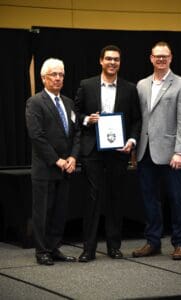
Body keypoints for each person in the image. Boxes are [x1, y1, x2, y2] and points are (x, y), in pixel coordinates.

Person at [74, 45, 142, 262]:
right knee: (92, 200)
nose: (113, 63)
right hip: (93, 149)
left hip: (118, 150)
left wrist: (131, 141)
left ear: (120, 63)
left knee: (115, 198)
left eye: (117, 60)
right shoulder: (87, 85)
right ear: (101, 61)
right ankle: (89, 249)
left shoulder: (130, 89)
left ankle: (114, 246)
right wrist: (87, 119)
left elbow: (137, 119)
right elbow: (75, 113)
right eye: (109, 59)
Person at [132, 41, 181, 260]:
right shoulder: (141, 84)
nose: (161, 59)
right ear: (150, 58)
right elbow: (139, 119)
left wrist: (180, 151)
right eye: (157, 56)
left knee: (176, 198)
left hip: (171, 153)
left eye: (165, 56)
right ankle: (153, 241)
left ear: (171, 58)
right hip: (145, 152)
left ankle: (180, 243)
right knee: (150, 199)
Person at [26, 58, 80, 265]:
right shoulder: (35, 102)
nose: (58, 78)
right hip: (46, 168)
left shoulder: (68, 102)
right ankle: (41, 251)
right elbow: (36, 136)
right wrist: (57, 160)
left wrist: (73, 157)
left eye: (61, 75)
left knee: (60, 212)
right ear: (43, 78)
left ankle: (54, 247)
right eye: (53, 75)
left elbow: (76, 134)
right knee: (43, 212)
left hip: (66, 167)